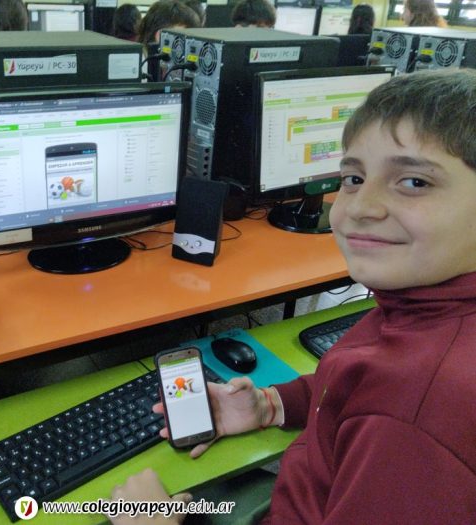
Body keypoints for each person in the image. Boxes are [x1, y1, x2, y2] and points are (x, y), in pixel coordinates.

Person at [108, 68, 476, 523]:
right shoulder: (422, 306)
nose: (360, 207)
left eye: (415, 182)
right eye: (354, 178)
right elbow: (356, 388)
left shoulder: (414, 415)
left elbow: (386, 404)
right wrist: (271, 405)